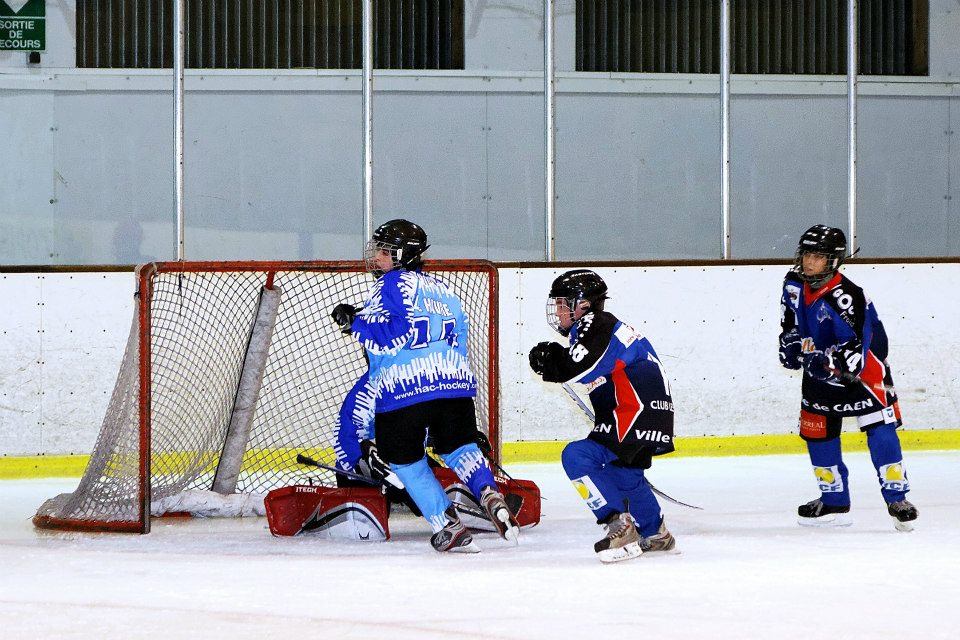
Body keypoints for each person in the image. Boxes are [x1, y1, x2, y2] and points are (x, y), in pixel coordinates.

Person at [330, 219, 519, 553]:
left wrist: (354, 323)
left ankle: (447, 525)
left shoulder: (392, 282)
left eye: (385, 251)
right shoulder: (445, 291)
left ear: (403, 254)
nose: (378, 258)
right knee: (461, 449)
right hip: (455, 387)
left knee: (405, 461)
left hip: (405, 389)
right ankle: (489, 493)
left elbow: (395, 336)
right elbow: (460, 341)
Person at [528, 269, 677, 563]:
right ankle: (656, 533)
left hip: (632, 412)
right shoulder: (608, 328)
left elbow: (581, 364)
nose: (558, 311)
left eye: (562, 304)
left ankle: (618, 525)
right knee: (625, 475)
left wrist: (552, 360)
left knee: (577, 456)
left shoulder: (596, 321)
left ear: (582, 305)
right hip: (651, 414)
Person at [779, 224, 918, 531]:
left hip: (865, 374)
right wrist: (790, 345)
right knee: (818, 434)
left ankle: (897, 498)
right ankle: (834, 500)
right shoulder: (792, 283)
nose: (809, 262)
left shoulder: (847, 296)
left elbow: (856, 352)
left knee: (881, 432)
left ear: (833, 261)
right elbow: (790, 324)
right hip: (818, 374)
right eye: (807, 255)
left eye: (818, 257)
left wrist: (827, 362)